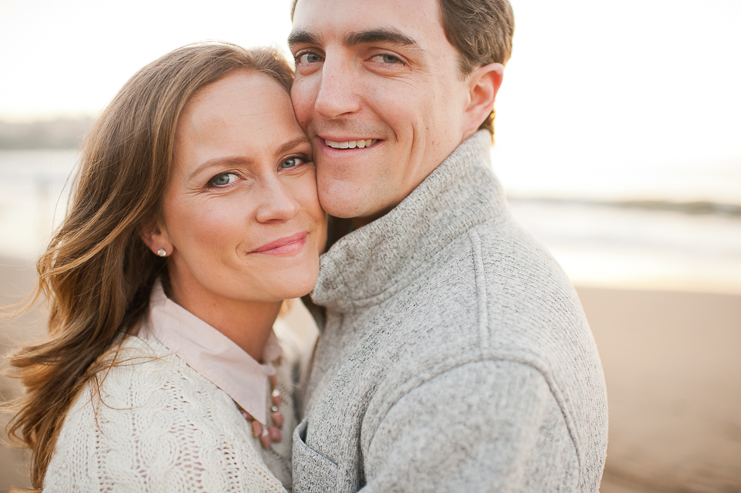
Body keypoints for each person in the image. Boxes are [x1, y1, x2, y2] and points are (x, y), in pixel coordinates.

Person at [287, 0, 608, 491]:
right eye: (310, 56)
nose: (327, 101)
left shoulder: (477, 364)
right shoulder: (352, 268)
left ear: (476, 95)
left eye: (385, 57)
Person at [4, 42, 326, 492]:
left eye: (292, 160)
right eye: (224, 178)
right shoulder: (149, 445)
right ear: (153, 228)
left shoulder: (281, 352)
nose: (281, 205)